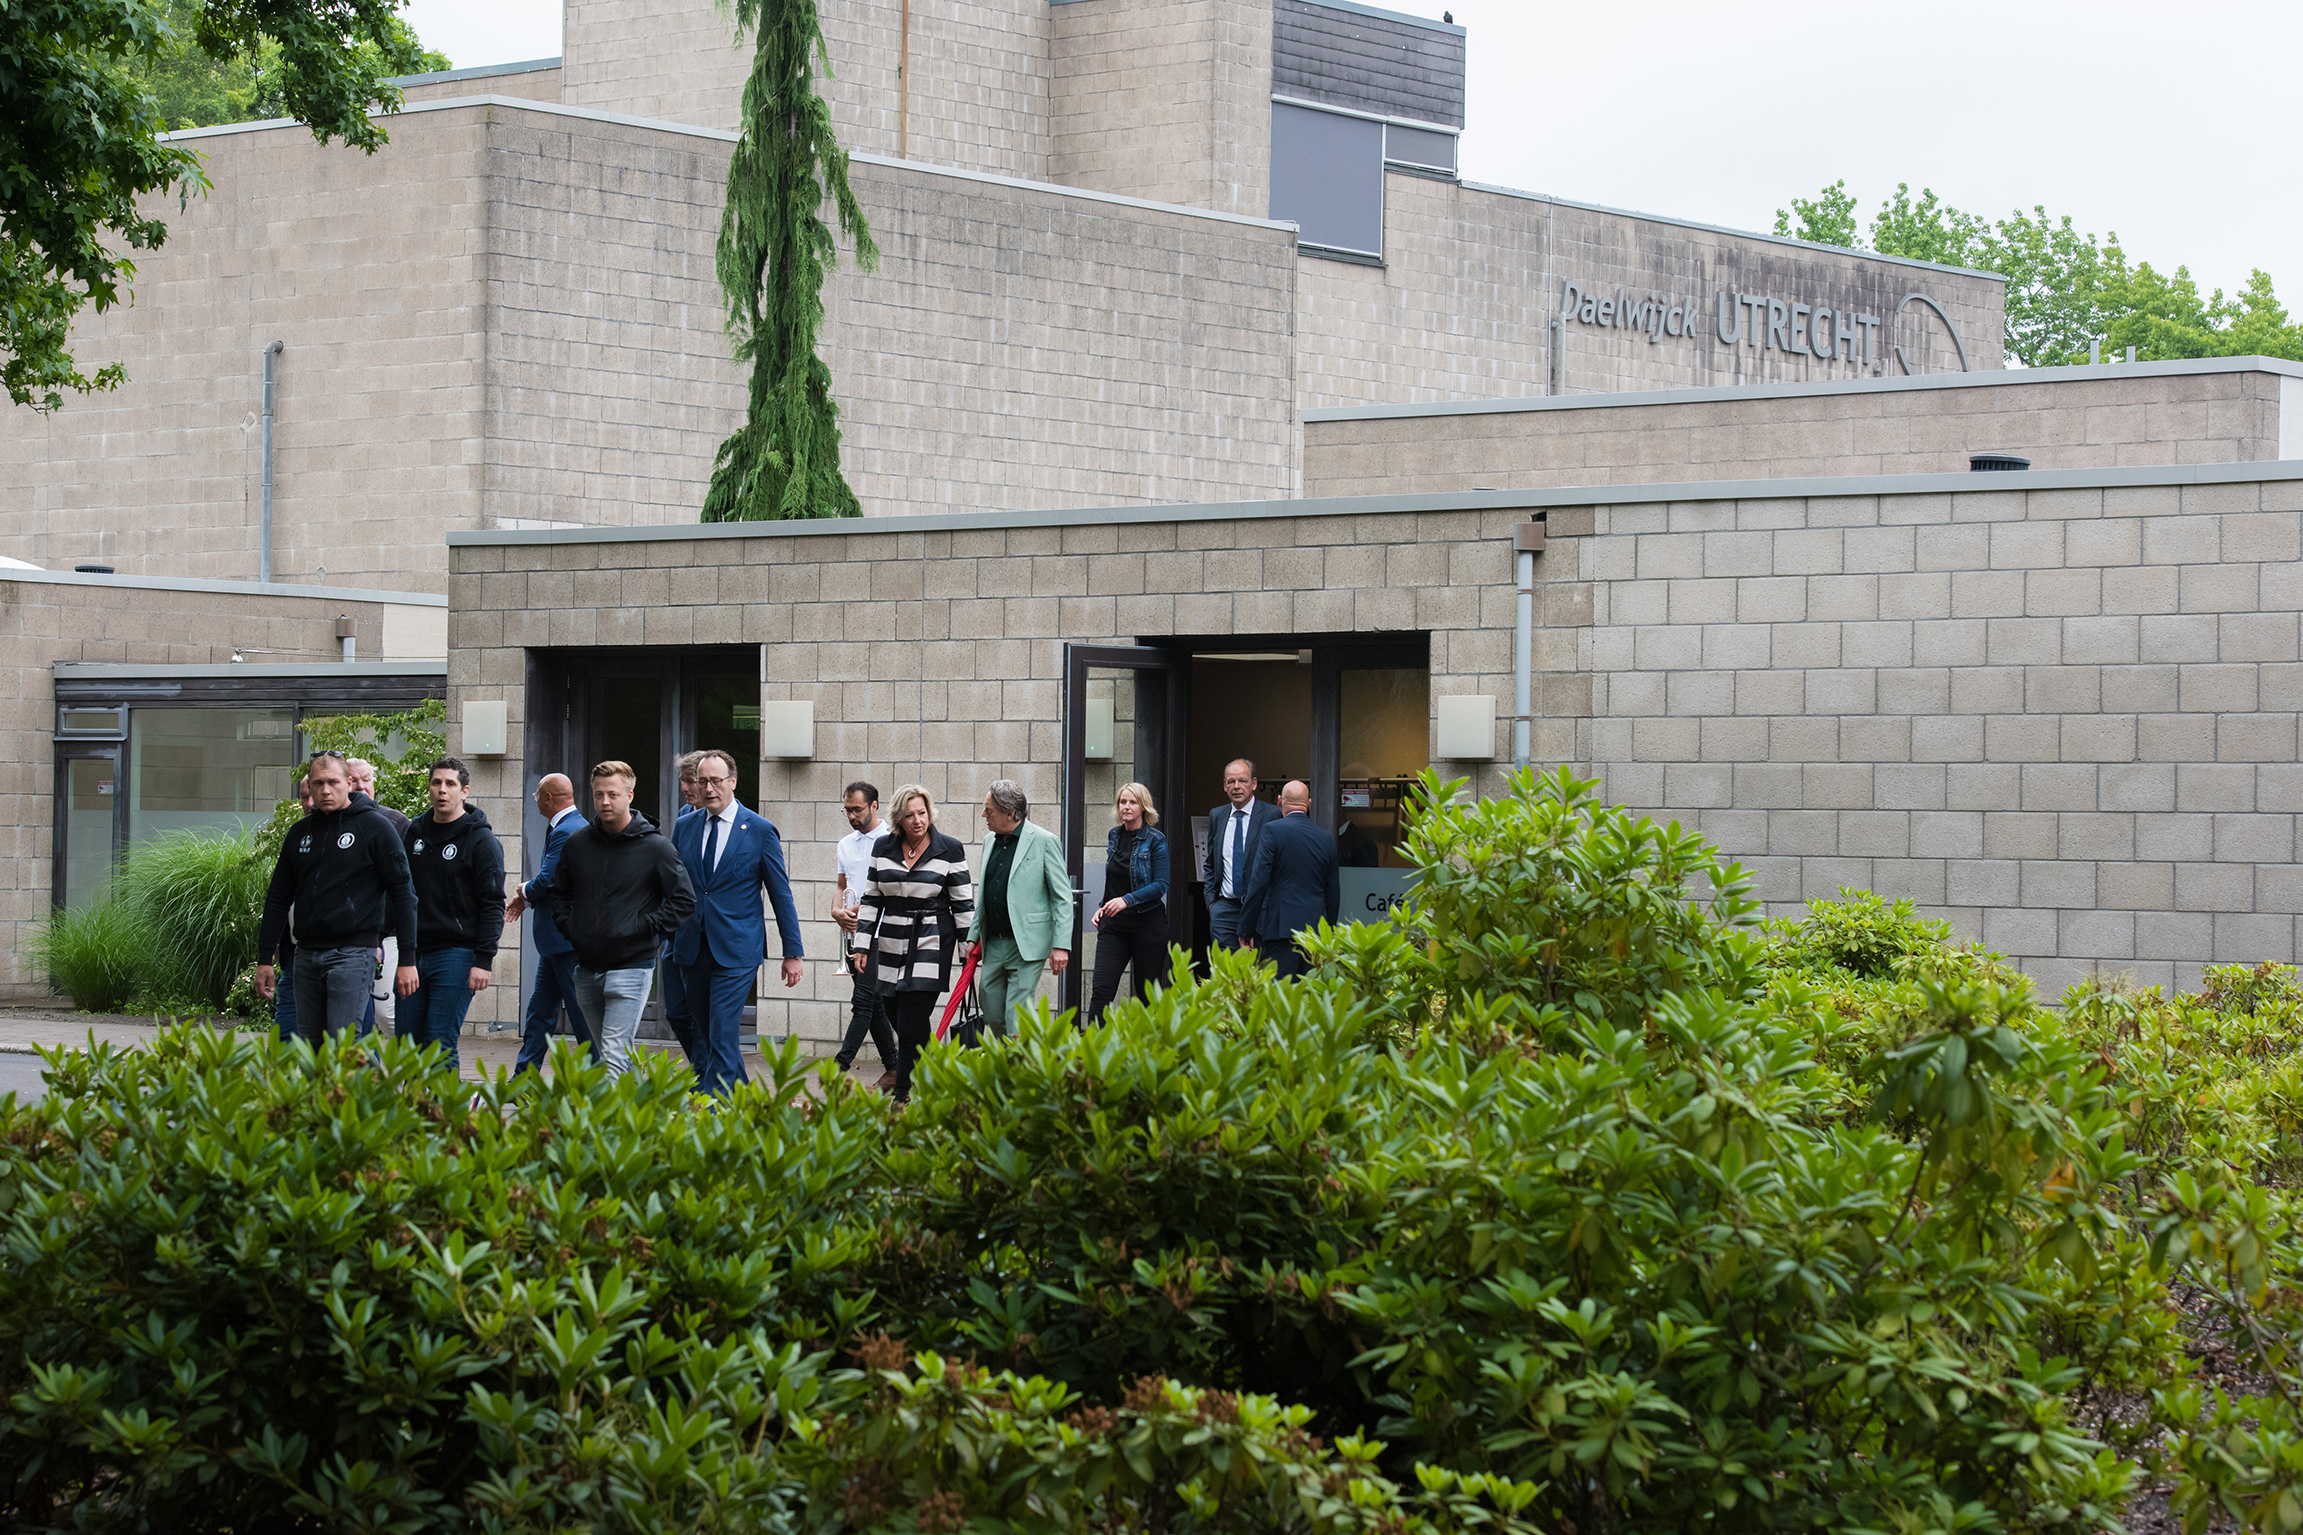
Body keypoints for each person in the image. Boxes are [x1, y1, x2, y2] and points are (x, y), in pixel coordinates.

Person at [525, 760, 694, 1081]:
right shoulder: (579, 844)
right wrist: (573, 930)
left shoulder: (655, 847)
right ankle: (647, 1112)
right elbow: (558, 892)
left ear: (629, 795)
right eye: (599, 794)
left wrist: (643, 930)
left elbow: (683, 901)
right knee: (608, 1053)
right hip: (587, 968)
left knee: (613, 1054)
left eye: (613, 795)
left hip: (632, 966)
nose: (605, 802)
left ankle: (604, 1128)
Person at [254, 749, 419, 1040]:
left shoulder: (376, 827)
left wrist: (407, 959)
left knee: (345, 1046)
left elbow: (404, 894)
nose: (325, 790)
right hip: (306, 955)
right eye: (318, 784)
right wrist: (264, 957)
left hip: (353, 953)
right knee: (310, 1049)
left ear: (348, 783)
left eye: (333, 782)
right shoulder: (300, 833)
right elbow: (278, 897)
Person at [669, 749, 806, 1096]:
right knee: (707, 1033)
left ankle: (717, 1110)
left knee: (721, 1031)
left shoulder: (759, 830)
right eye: (702, 782)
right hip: (692, 947)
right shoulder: (684, 826)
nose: (709, 788)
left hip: (737, 949)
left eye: (716, 781)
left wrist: (793, 951)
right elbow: (670, 884)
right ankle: (747, 1102)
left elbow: (781, 894)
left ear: (732, 782)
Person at [850, 785, 973, 1104]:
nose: (917, 821)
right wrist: (861, 945)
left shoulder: (950, 848)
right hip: (891, 939)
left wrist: (968, 952)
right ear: (898, 819)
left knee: (912, 1017)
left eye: (922, 813)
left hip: (932, 938)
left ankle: (902, 1094)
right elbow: (871, 898)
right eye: (910, 815)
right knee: (892, 1009)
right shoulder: (883, 847)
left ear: (929, 813)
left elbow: (963, 904)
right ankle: (933, 1075)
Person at [399, 756, 505, 1074]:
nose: (442, 790)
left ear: (464, 791)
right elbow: (399, 894)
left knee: (439, 1041)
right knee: (409, 1043)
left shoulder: (481, 840)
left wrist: (483, 961)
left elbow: (492, 903)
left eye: (450, 784)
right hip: (414, 953)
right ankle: (418, 1118)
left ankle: (445, 1120)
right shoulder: (413, 835)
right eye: (436, 782)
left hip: (457, 954)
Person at [965, 779, 1072, 1038]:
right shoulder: (989, 840)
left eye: (989, 810)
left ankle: (1019, 1071)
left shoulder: (1045, 841)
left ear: (1011, 812)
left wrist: (1061, 945)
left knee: (1016, 1014)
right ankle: (1011, 1062)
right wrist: (973, 936)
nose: (984, 815)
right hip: (994, 944)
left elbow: (1062, 897)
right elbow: (984, 895)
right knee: (991, 1013)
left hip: (1027, 945)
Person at [506, 773, 595, 1072]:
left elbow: (549, 879)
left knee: (581, 1016)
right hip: (555, 942)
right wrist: (529, 899)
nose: (537, 803)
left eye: (537, 797)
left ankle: (603, 1081)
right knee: (540, 1013)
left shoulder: (567, 830)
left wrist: (524, 890)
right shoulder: (568, 826)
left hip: (564, 940)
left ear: (547, 799)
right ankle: (523, 1080)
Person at [830, 780, 900, 1086]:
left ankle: (838, 1069)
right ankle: (895, 1068)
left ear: (874, 805)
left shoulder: (892, 839)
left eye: (857, 809)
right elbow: (842, 886)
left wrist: (864, 911)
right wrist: (837, 911)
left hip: (883, 933)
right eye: (847, 810)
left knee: (862, 1002)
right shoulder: (845, 844)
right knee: (873, 1005)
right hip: (856, 934)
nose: (851, 816)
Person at [1086, 781, 1170, 1022]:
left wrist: (1126, 900)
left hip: (1148, 927)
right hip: (1114, 927)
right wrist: (1103, 907)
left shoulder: (1155, 840)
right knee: (1101, 991)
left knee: (1146, 997)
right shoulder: (1114, 835)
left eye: (1132, 802)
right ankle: (1092, 1050)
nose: (1126, 806)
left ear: (1143, 806)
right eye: (1123, 802)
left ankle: (1144, 1053)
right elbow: (1115, 878)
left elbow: (1161, 884)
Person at [1240, 780, 1340, 980]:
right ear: (1309, 803)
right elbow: (1333, 893)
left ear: (1279, 801)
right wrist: (1328, 932)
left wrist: (1246, 928)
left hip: (1280, 931)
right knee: (1312, 999)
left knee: (1280, 1001)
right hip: (1315, 934)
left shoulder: (1272, 831)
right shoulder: (1325, 838)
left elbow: (1258, 881)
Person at [345, 756, 407, 1038]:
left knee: (387, 1012)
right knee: (357, 1018)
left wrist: (382, 936)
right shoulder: (333, 824)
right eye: (354, 780)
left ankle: (420, 1071)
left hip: (389, 934)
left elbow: (404, 888)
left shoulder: (396, 823)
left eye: (366, 780)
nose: (361, 786)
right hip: (348, 936)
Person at [660, 750, 708, 1066]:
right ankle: (711, 1069)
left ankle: (706, 1081)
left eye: (690, 781)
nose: (685, 788)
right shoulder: (683, 818)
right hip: (678, 929)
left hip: (708, 933)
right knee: (676, 1012)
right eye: (684, 781)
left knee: (705, 1018)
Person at [1202, 758, 1278, 952]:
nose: (1236, 786)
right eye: (1231, 782)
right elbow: (1211, 862)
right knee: (1227, 972)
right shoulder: (1217, 815)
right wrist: (1212, 903)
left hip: (1259, 910)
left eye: (1242, 781)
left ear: (1253, 784)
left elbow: (1277, 865)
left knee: (1259, 972)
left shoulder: (1272, 814)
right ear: (1224, 786)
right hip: (1224, 910)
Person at [271, 769, 318, 1042]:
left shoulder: (364, 831)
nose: (310, 803)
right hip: (296, 956)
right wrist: (273, 946)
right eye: (304, 797)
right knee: (285, 1034)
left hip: (343, 957)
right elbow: (280, 895)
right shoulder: (297, 836)